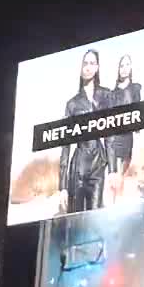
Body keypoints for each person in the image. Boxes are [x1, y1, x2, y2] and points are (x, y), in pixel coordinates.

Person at [58, 49, 112, 213]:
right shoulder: (72, 104)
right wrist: (62, 186)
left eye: (92, 63)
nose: (88, 67)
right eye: (85, 63)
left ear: (97, 67)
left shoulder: (106, 95)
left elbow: (110, 135)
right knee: (76, 217)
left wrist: (113, 170)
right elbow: (65, 146)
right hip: (78, 166)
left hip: (98, 163)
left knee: (95, 216)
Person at [106, 54, 142, 201]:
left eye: (127, 65)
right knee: (114, 177)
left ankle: (117, 203)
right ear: (118, 69)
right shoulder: (111, 93)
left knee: (123, 174)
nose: (124, 68)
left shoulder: (135, 89)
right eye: (122, 65)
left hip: (128, 138)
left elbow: (138, 112)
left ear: (131, 67)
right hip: (113, 139)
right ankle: (113, 206)